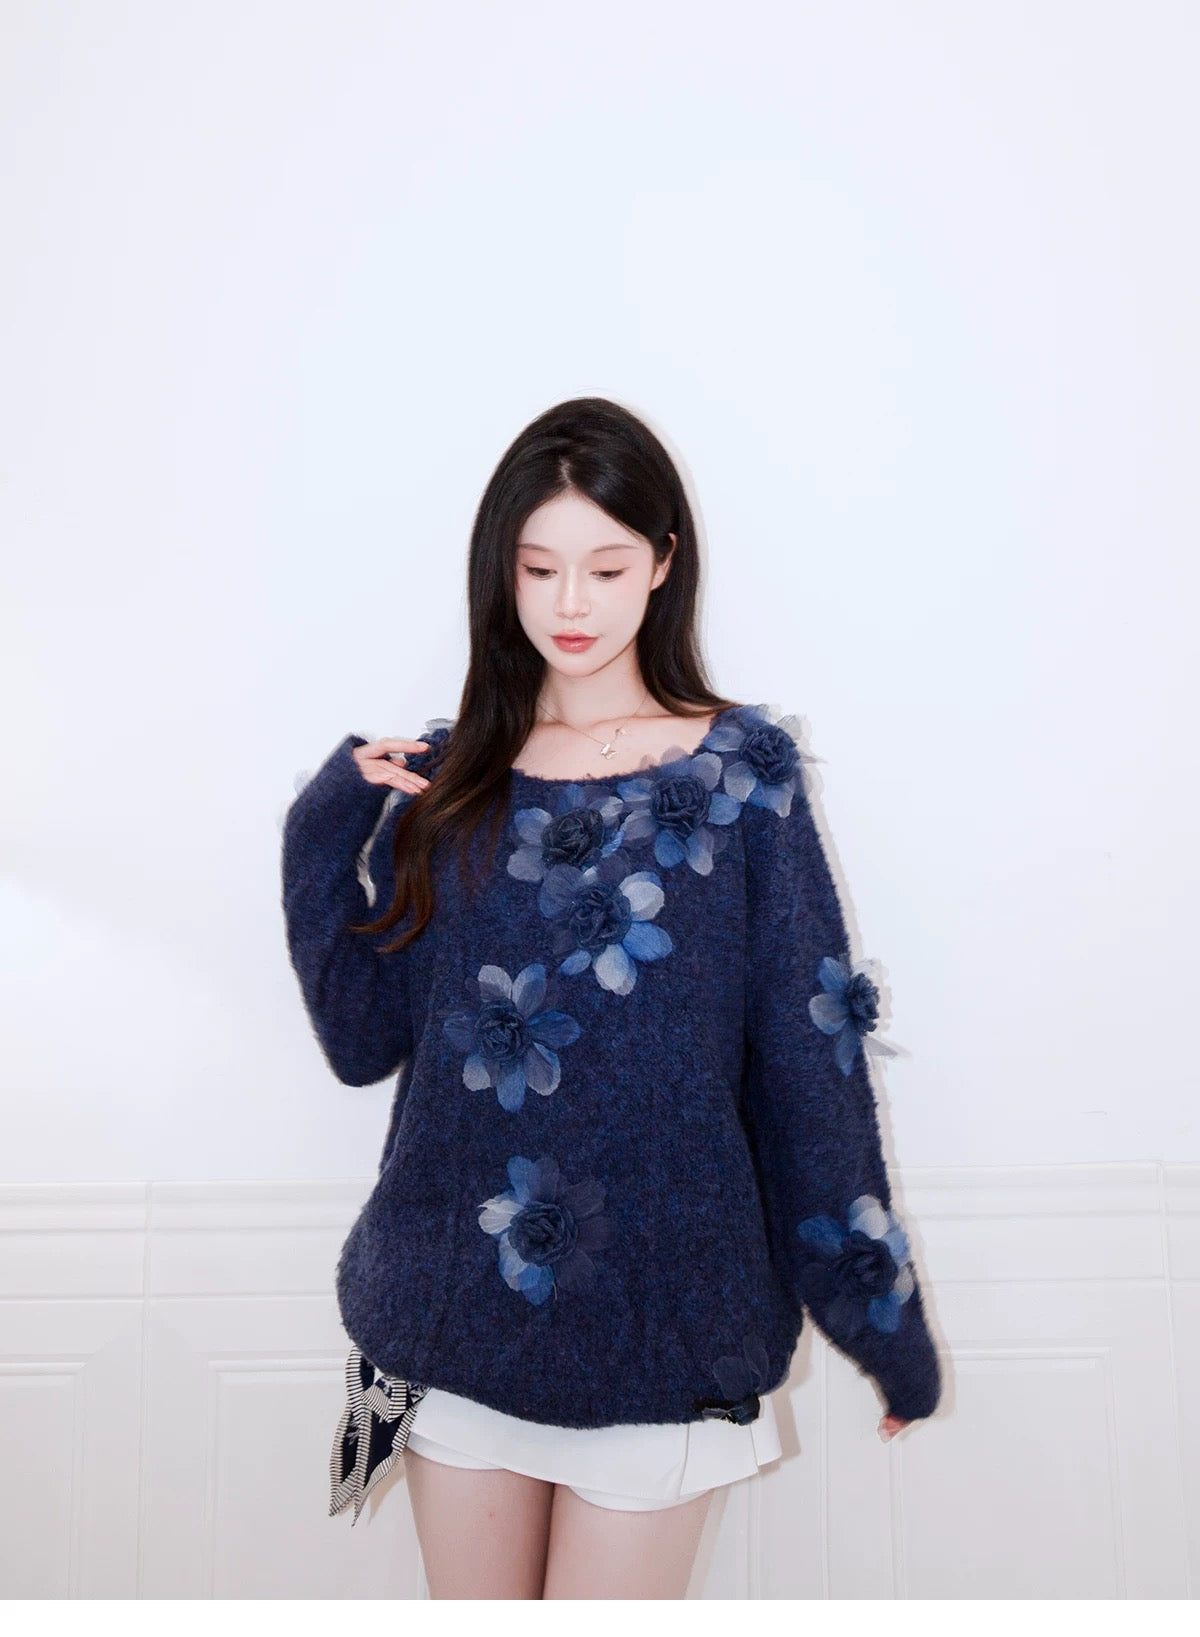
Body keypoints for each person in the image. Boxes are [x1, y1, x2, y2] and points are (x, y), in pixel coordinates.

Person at [280, 396, 942, 1599]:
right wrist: (329, 827)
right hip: (448, 1314)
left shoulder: (740, 779)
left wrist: (882, 1328)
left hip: (664, 1327)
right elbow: (362, 1041)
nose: (570, 603)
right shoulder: (452, 779)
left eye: (606, 565)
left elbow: (809, 1064)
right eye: (538, 567)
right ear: (502, 572)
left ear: (664, 563)